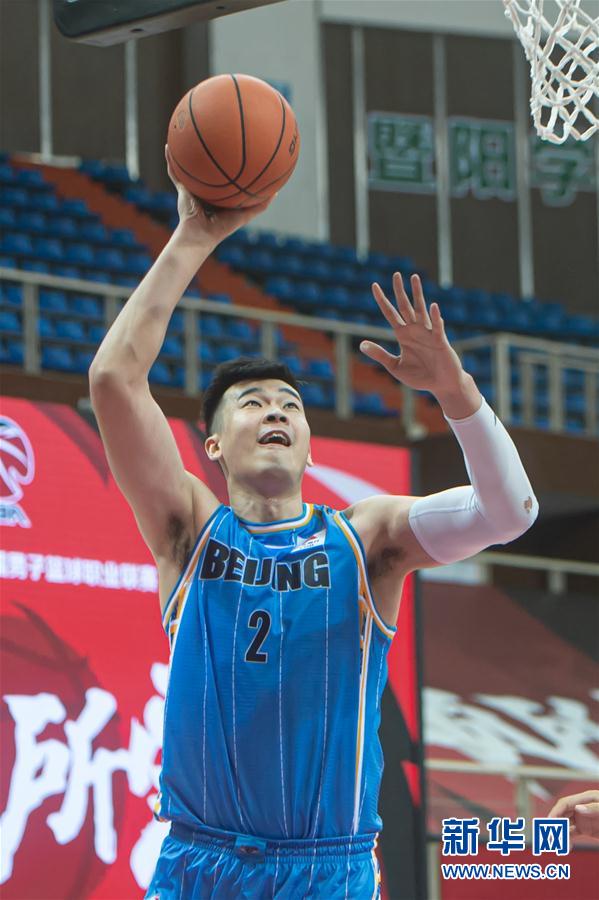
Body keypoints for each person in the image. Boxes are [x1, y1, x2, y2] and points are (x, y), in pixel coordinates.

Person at [89, 148, 539, 899]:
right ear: (212, 445)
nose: (275, 411)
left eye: (289, 406)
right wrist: (194, 237)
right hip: (200, 863)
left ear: (307, 445)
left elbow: (510, 513)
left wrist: (455, 391)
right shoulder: (188, 530)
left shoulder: (364, 540)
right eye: (252, 403)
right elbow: (112, 378)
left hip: (327, 868)